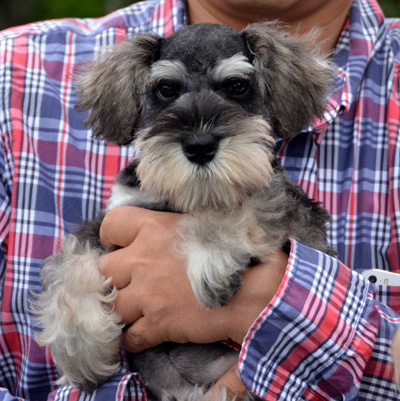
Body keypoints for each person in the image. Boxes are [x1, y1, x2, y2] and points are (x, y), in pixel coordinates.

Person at [0, 0, 399, 400]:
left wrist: (298, 314)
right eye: (166, 91)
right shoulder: (11, 73)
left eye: (237, 88)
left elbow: (293, 216)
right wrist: (75, 294)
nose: (200, 135)